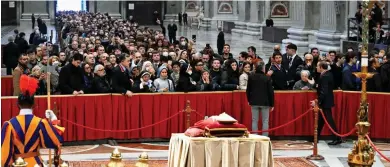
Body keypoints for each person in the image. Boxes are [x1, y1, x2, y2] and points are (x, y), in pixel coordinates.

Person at [2, 75, 64, 167]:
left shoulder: (9, 125)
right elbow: (56, 140)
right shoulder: (41, 123)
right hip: (36, 163)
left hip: (17, 163)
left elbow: (5, 154)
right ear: (34, 105)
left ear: (17, 105)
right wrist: (54, 120)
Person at [313, 61, 342, 145]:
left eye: (318, 66)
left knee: (329, 120)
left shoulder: (325, 76)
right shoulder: (327, 74)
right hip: (325, 101)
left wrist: (318, 100)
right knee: (321, 120)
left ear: (321, 67)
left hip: (325, 101)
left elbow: (324, 91)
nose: (316, 68)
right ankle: (316, 136)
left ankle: (337, 138)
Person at [246, 61, 274, 136]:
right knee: (265, 121)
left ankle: (255, 137)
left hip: (254, 101)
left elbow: (248, 90)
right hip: (265, 102)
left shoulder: (251, 77)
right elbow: (270, 92)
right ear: (263, 68)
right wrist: (272, 104)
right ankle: (265, 137)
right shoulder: (267, 78)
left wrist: (248, 100)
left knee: (254, 121)